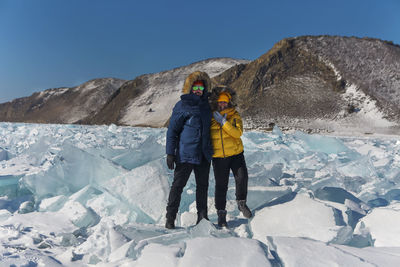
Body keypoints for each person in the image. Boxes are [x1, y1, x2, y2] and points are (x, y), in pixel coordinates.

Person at [165, 71, 213, 229]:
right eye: (196, 86)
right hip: (186, 154)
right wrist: (170, 153)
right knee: (178, 186)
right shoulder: (182, 105)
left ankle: (202, 216)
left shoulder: (207, 106)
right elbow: (172, 131)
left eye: (201, 86)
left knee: (203, 187)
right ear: (190, 88)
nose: (199, 89)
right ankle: (170, 218)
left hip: (203, 154)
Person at [210, 86, 252, 228]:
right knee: (221, 186)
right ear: (216, 103)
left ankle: (241, 203)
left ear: (229, 102)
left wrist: (224, 123)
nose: (223, 104)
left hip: (236, 154)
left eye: (225, 102)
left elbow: (237, 133)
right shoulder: (210, 117)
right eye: (220, 102)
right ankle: (221, 214)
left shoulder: (235, 116)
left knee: (242, 177)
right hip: (219, 157)